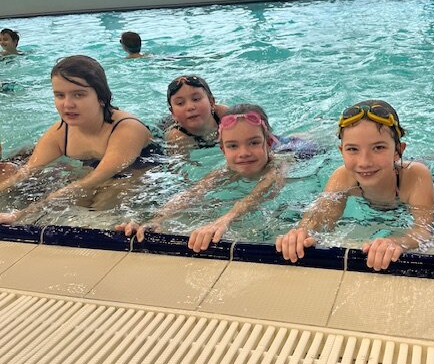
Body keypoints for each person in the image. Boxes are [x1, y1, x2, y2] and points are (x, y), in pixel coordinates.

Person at [276, 100, 434, 270]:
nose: (364, 162)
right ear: (341, 151)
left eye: (378, 147)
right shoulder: (343, 176)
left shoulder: (416, 176)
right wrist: (302, 233)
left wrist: (399, 242)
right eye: (352, 149)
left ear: (398, 151)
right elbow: (320, 217)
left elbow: (423, 231)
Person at [0, 55, 160, 223]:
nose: (67, 104)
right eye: (60, 95)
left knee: (99, 209)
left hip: (138, 173)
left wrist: (20, 215)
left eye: (78, 95)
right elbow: (27, 171)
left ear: (101, 97)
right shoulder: (60, 133)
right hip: (92, 173)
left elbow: (93, 180)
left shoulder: (127, 129)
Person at [117, 103, 288, 252]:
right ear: (223, 150)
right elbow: (193, 193)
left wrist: (224, 219)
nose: (244, 153)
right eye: (233, 146)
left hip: (295, 148)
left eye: (254, 143)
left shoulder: (277, 166)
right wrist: (156, 219)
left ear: (268, 143)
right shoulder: (226, 169)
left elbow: (259, 194)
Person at [163, 75, 229, 151]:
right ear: (173, 113)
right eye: (180, 103)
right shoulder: (177, 137)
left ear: (211, 102)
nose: (190, 107)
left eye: (196, 99)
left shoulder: (223, 114)